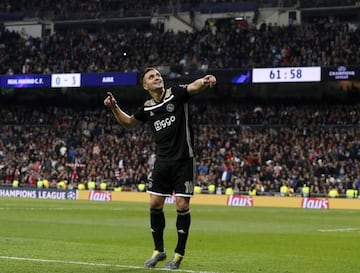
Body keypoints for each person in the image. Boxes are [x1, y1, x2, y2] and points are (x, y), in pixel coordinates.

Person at [104, 67, 216, 270]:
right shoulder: (147, 108)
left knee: (181, 204)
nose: (157, 78)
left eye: (158, 75)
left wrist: (205, 81)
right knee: (155, 202)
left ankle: (178, 254)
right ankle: (159, 251)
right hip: (162, 162)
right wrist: (114, 107)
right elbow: (129, 122)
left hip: (183, 160)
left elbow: (193, 87)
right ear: (145, 86)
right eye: (151, 77)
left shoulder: (176, 94)